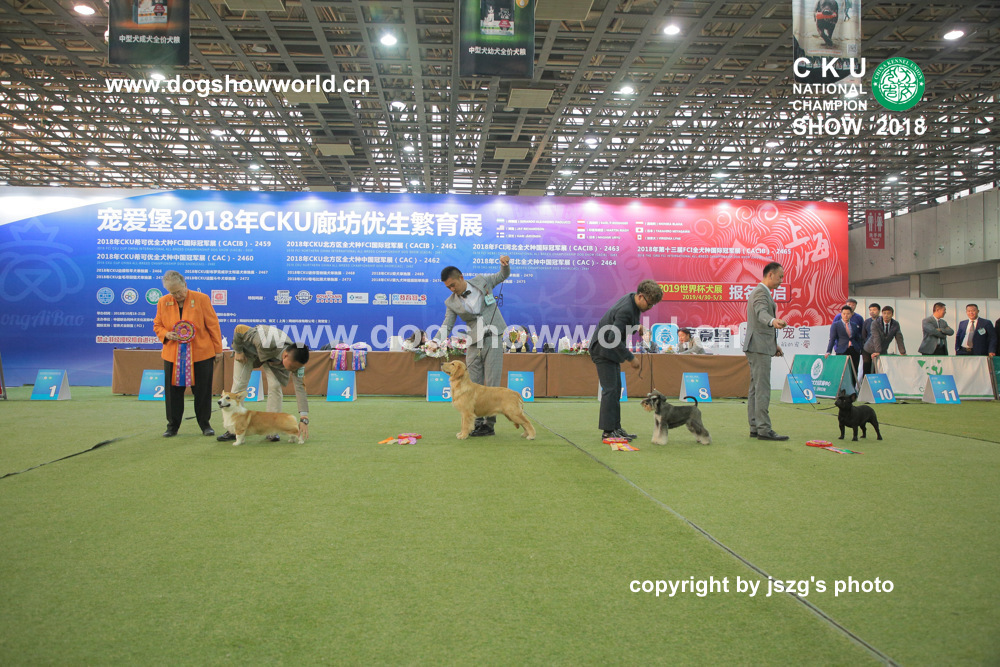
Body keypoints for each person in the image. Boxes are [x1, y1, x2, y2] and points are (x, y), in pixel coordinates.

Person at [439, 256, 511, 437]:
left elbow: (502, 276)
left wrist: (505, 265)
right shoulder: (451, 302)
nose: (452, 289)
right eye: (448, 287)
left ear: (461, 277)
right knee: (472, 381)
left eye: (453, 285)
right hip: (474, 341)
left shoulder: (482, 281)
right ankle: (474, 422)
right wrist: (436, 341)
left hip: (494, 336)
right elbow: (447, 324)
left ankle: (489, 425)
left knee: (492, 382)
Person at [590, 280, 664, 441]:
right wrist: (630, 358)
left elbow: (626, 323)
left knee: (616, 390)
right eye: (649, 303)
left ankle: (616, 428)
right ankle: (608, 432)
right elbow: (613, 338)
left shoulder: (632, 300)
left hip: (610, 351)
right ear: (641, 296)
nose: (650, 307)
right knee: (610, 391)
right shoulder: (626, 309)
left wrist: (637, 326)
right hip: (603, 350)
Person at [152, 271, 223, 437]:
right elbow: (157, 325)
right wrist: (166, 334)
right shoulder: (163, 302)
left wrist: (218, 350)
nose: (177, 296)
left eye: (179, 291)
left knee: (203, 392)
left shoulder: (202, 298)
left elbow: (213, 325)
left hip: (202, 353)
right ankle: (172, 426)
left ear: (185, 284)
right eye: (173, 293)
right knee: (173, 393)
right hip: (173, 355)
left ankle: (205, 425)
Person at [217, 324, 310, 442]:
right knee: (239, 385)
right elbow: (239, 329)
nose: (293, 370)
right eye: (292, 367)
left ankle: (273, 429)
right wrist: (238, 350)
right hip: (249, 353)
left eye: (296, 368)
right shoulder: (265, 340)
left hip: (273, 361)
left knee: (275, 386)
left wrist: (304, 417)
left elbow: (300, 388)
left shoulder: (297, 364)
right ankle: (233, 429)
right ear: (286, 356)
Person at [743, 262, 790, 441]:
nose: (781, 280)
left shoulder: (761, 292)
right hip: (759, 347)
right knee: (762, 389)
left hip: (758, 345)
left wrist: (773, 344)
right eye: (780, 277)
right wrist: (772, 321)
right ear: (770, 274)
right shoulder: (761, 292)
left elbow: (759, 317)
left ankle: (755, 426)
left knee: (755, 389)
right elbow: (761, 313)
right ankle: (764, 428)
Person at [863, 305, 907, 371]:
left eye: (888, 313)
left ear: (892, 314)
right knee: (867, 370)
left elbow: (899, 338)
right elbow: (876, 337)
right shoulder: (875, 323)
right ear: (882, 314)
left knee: (880, 370)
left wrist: (902, 352)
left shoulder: (895, 324)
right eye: (884, 313)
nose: (886, 315)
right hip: (869, 349)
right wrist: (877, 351)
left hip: (883, 350)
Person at [825, 304, 862, 374]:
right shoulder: (836, 325)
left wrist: (859, 348)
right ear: (841, 314)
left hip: (854, 350)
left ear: (851, 314)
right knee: (841, 370)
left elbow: (858, 338)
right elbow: (832, 339)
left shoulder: (854, 325)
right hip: (842, 350)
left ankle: (854, 381)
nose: (846, 315)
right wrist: (828, 351)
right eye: (844, 314)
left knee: (854, 370)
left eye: (848, 314)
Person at [860, 302, 881, 376]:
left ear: (879, 311)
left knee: (877, 367)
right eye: (870, 310)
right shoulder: (867, 321)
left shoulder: (881, 321)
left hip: (879, 348)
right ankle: (865, 382)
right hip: (867, 348)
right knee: (866, 367)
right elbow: (863, 335)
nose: (872, 312)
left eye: (874, 310)